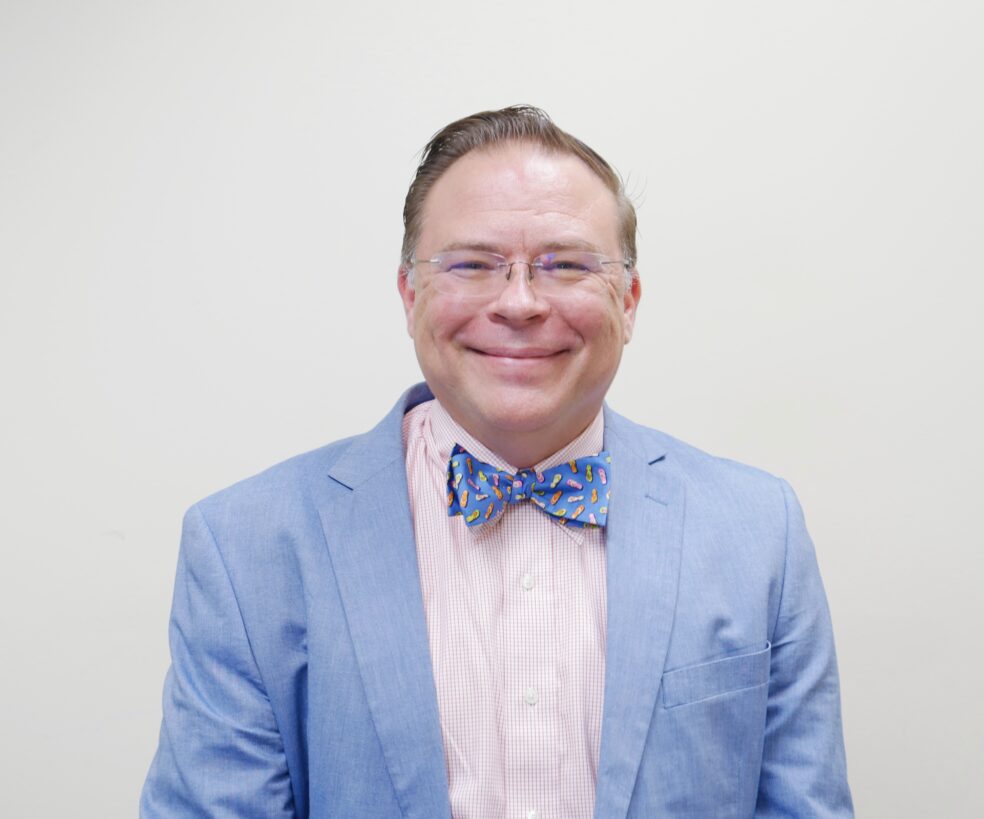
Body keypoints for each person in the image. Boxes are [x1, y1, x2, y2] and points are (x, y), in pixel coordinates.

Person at [141, 105, 853, 818]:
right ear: (410, 294)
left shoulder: (761, 531)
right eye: (472, 265)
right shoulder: (245, 548)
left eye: (566, 264)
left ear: (629, 300)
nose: (519, 303)